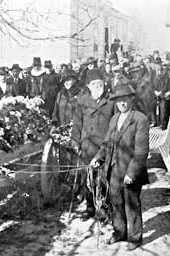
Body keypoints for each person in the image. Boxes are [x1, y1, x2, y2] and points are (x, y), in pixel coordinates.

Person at [90, 83, 149, 251]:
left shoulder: (140, 119)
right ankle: (119, 232)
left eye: (125, 100)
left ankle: (135, 237)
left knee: (132, 206)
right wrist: (97, 158)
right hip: (113, 170)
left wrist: (132, 173)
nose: (122, 103)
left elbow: (141, 151)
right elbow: (107, 143)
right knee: (116, 203)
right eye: (119, 100)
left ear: (131, 99)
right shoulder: (115, 118)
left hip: (130, 171)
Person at [71, 68, 115, 220]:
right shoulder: (82, 101)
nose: (98, 86)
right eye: (94, 84)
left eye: (100, 83)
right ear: (88, 86)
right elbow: (76, 124)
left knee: (103, 180)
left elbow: (115, 128)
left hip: (104, 149)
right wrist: (75, 141)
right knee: (88, 179)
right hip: (86, 147)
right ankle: (89, 208)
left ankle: (104, 209)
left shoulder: (111, 101)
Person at [151, 58, 170, 129]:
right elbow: (150, 83)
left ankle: (163, 124)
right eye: (156, 64)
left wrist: (161, 92)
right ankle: (154, 122)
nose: (157, 66)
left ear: (161, 65)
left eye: (159, 64)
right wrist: (154, 91)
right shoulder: (152, 72)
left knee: (163, 110)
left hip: (162, 94)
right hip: (154, 94)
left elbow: (166, 84)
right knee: (153, 109)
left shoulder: (165, 73)